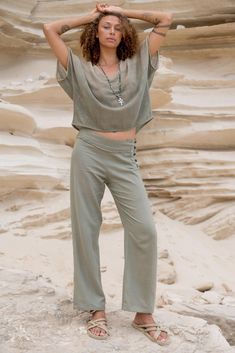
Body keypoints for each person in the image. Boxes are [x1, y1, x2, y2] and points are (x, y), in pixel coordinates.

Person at [43, 2, 172, 344]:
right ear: (96, 33)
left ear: (125, 32)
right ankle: (94, 307)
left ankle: (143, 311)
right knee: (86, 228)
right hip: (88, 151)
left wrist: (120, 9)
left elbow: (165, 20)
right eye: (106, 27)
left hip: (124, 155)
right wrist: (93, 15)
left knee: (144, 229)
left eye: (117, 27)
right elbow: (50, 29)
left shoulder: (139, 61)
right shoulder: (79, 67)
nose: (112, 31)